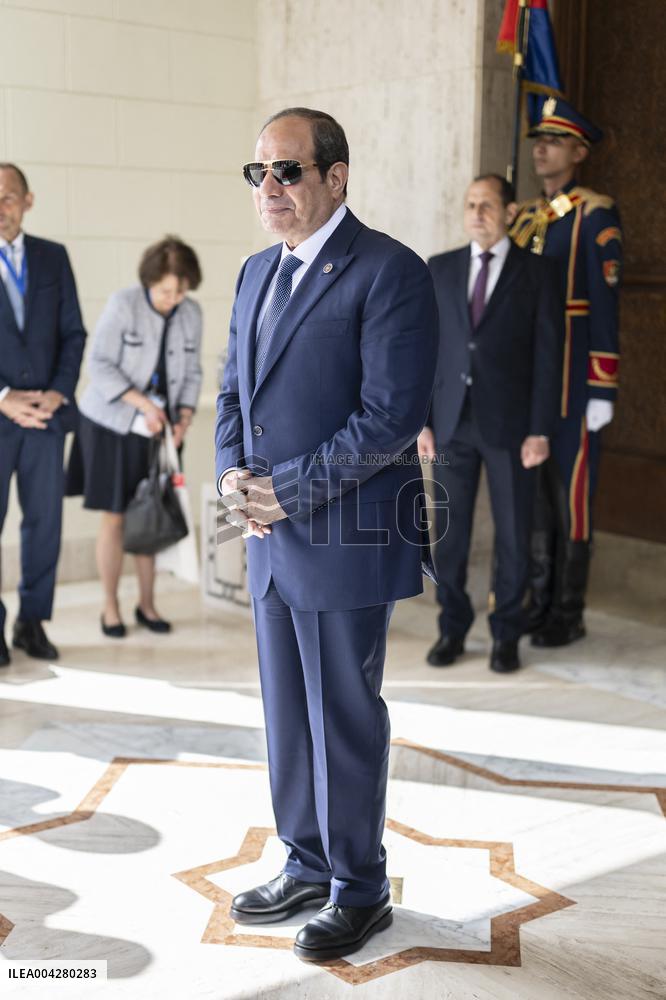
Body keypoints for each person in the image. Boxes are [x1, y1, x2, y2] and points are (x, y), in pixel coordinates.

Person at [215, 108, 438, 962]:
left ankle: (360, 885)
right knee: (285, 712)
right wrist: (236, 474)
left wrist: (286, 494)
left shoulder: (390, 272)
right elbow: (233, 389)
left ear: (335, 177)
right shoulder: (250, 273)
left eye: (288, 171)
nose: (269, 188)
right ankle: (305, 860)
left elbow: (389, 418)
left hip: (344, 536)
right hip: (271, 535)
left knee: (342, 715)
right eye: (258, 174)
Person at [419, 174, 562, 673]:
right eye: (470, 204)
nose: (477, 212)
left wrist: (541, 429)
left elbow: (550, 356)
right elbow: (426, 353)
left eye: (487, 205)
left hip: (514, 429)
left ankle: (506, 636)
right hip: (451, 424)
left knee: (514, 537)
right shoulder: (440, 269)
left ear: (509, 212)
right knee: (450, 537)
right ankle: (452, 630)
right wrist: (423, 423)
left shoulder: (539, 274)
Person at [511, 97, 623, 647]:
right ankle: (538, 599)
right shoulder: (529, 216)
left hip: (574, 381)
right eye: (538, 140)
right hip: (532, 381)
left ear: (579, 152)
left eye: (554, 141)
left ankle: (568, 610)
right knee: (534, 497)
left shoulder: (594, 214)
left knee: (571, 497)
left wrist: (602, 384)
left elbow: (603, 303)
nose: (541, 149)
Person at [67, 237, 203, 637]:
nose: (173, 298)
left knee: (154, 514)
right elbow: (100, 365)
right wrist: (142, 405)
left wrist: (185, 418)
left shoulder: (190, 313)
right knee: (116, 516)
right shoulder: (123, 304)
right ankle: (110, 607)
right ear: (149, 281)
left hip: (162, 429)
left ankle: (148, 604)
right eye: (165, 291)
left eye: (181, 291)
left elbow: (192, 371)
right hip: (111, 423)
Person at [0, 163, 86, 667]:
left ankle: (32, 622)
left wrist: (56, 393)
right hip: (1, 413)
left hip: (47, 419)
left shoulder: (53, 258)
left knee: (44, 525)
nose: (0, 207)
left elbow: (74, 333)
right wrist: (4, 396)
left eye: (8, 196)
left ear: (28, 201)